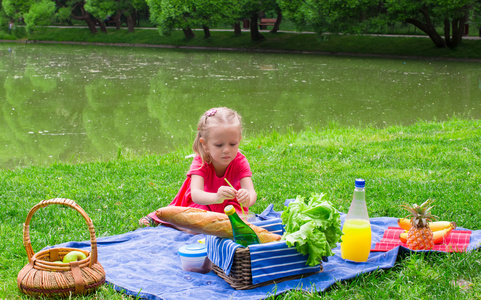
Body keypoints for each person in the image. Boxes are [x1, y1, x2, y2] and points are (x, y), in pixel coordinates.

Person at [139, 107, 257, 227]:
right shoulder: (201, 161)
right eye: (219, 145)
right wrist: (217, 197)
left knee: (239, 224)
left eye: (233, 144)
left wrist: (247, 198)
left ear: (239, 140)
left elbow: (251, 192)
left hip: (230, 204)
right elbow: (196, 194)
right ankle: (172, 221)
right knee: (198, 224)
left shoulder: (239, 161)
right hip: (203, 202)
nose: (227, 150)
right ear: (204, 144)